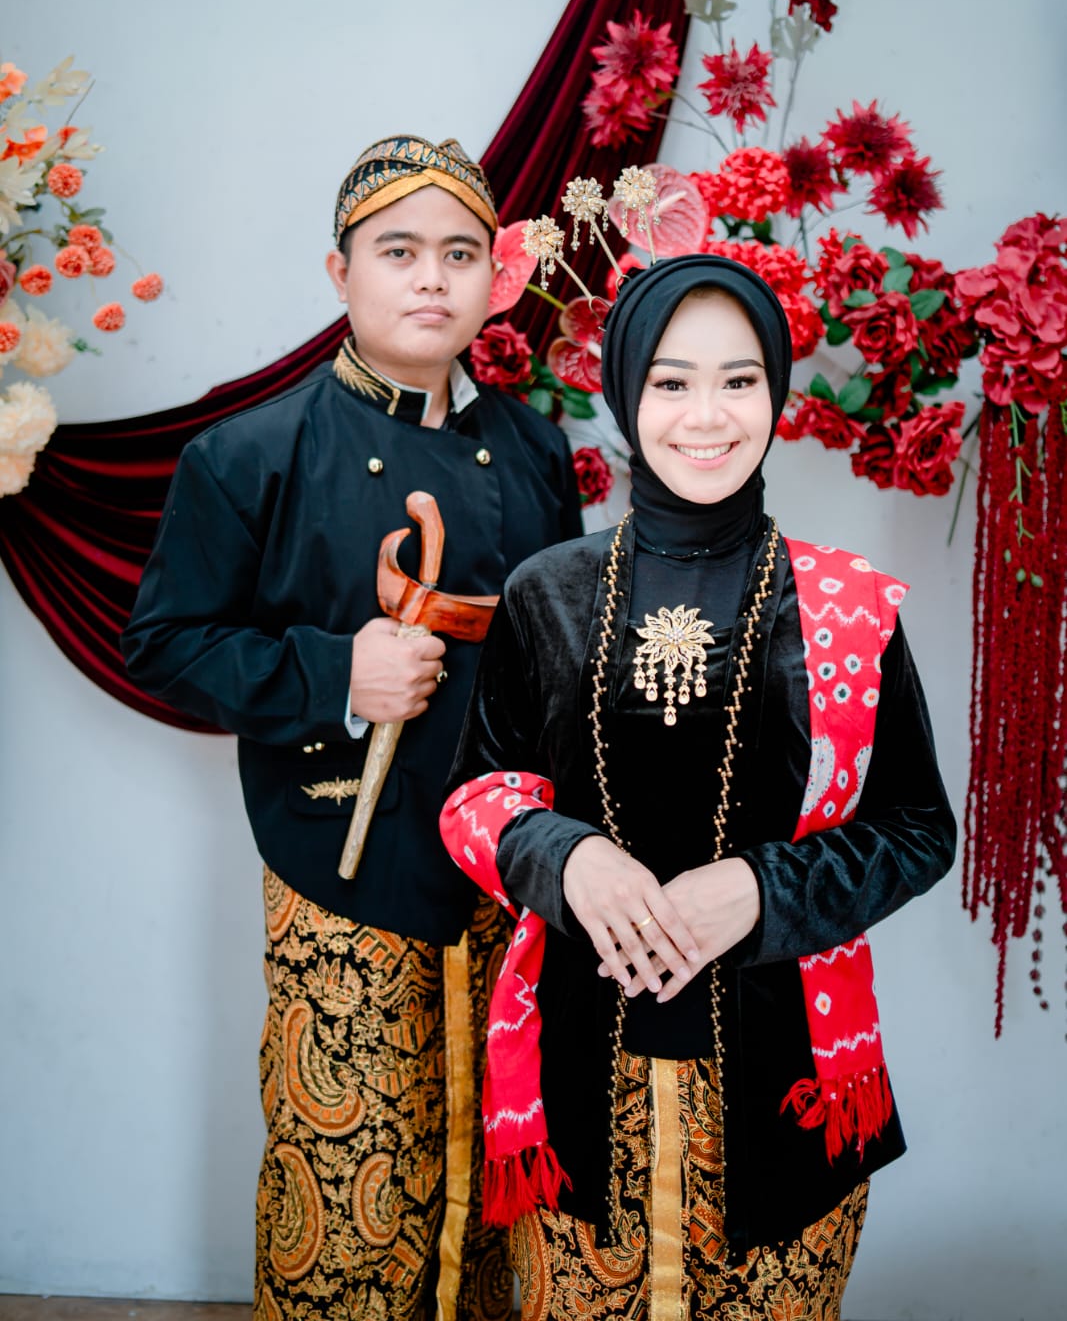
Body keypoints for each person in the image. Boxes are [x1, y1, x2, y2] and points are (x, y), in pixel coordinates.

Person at [440, 254, 956, 1319]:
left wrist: (760, 891)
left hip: (790, 1086)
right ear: (624, 392)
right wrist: (566, 857)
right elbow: (476, 796)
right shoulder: (547, 591)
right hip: (576, 1080)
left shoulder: (846, 606)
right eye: (671, 382)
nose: (707, 416)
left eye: (738, 380)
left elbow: (916, 827)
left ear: (775, 391)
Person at [123, 134, 582, 1321]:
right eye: (397, 251)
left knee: (501, 1191)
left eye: (459, 253)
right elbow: (163, 644)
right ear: (340, 273)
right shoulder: (248, 454)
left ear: (494, 277)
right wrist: (337, 671)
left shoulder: (537, 450)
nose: (430, 277)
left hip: (511, 877)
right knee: (346, 1198)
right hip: (341, 869)